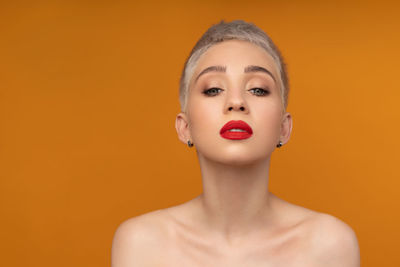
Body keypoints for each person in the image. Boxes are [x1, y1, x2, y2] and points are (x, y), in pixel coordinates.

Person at [111, 20, 360, 266]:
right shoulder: (141, 244)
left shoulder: (329, 245)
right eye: (213, 89)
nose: (236, 102)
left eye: (258, 89)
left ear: (284, 128)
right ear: (184, 127)